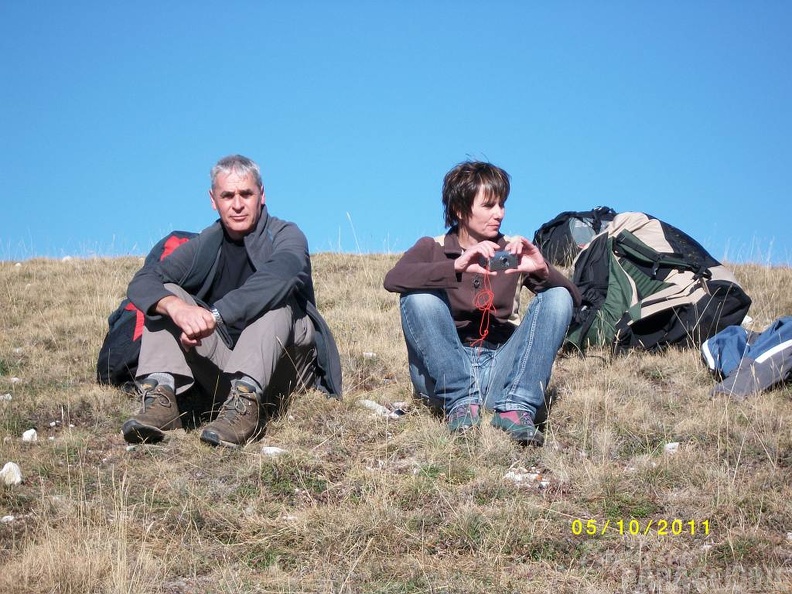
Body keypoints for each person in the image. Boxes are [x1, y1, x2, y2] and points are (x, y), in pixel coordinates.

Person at [122, 154, 342, 447]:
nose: (237, 204)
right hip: (225, 366)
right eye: (227, 195)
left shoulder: (286, 234)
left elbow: (283, 274)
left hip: (285, 368)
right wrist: (178, 309)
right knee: (167, 295)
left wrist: (213, 316)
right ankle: (161, 400)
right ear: (213, 200)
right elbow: (143, 280)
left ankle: (244, 406)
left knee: (277, 301)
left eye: (245, 194)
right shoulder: (205, 243)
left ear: (261, 195)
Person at [383, 161, 580, 445]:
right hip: (445, 376)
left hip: (500, 369)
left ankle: (516, 408)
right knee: (418, 296)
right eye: (489, 206)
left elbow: (571, 301)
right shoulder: (434, 246)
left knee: (558, 295)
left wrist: (541, 270)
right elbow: (394, 279)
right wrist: (456, 268)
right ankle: (461, 405)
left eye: (502, 205)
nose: (499, 214)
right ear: (460, 210)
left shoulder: (511, 250)